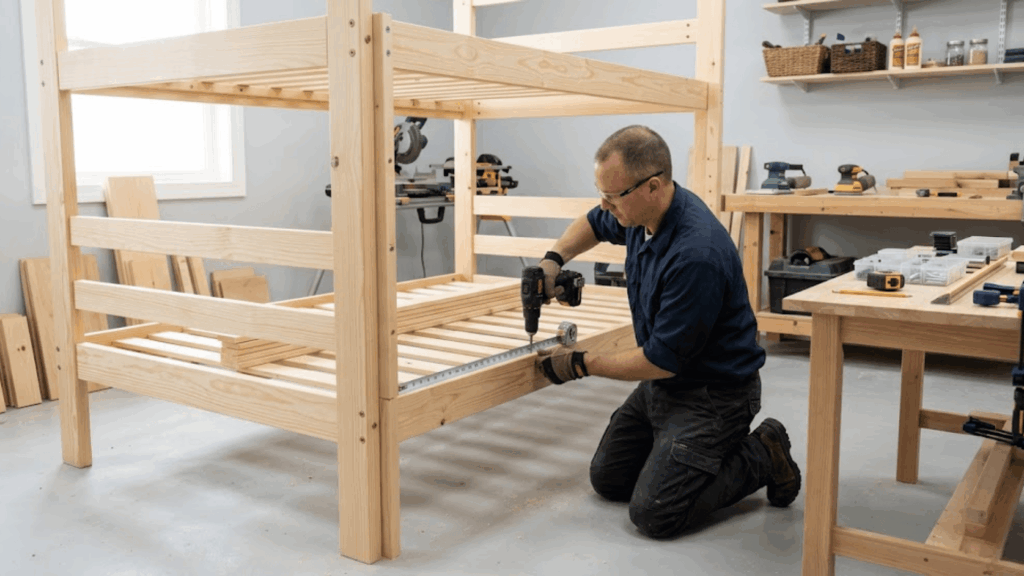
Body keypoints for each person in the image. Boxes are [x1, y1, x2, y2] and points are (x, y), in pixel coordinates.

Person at [534, 125, 800, 539]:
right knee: (609, 480)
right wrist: (553, 259)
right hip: (665, 385)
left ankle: (764, 452)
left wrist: (582, 364)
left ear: (653, 186)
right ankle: (678, 454)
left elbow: (661, 359)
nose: (605, 205)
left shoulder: (696, 254)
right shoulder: (637, 214)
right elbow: (594, 222)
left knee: (655, 513)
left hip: (714, 393)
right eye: (602, 194)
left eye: (613, 197)